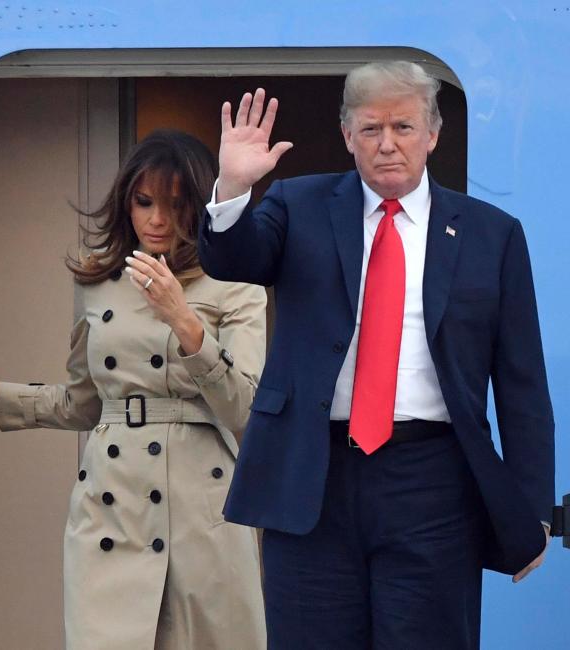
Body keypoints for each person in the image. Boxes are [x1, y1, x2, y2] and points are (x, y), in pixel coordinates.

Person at [198, 61, 555, 649]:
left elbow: (521, 384)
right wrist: (234, 187)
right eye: (370, 130)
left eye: (403, 127)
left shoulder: (493, 234)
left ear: (433, 134)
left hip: (434, 483)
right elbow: (236, 261)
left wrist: (533, 509)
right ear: (347, 137)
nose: (387, 144)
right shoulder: (298, 204)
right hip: (314, 478)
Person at [0, 129, 268, 650]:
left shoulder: (237, 283)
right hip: (112, 507)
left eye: (174, 205)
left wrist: (183, 320)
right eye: (143, 202)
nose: (157, 220)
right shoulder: (98, 283)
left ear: (198, 208)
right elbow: (83, 403)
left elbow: (248, 410)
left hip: (203, 508)